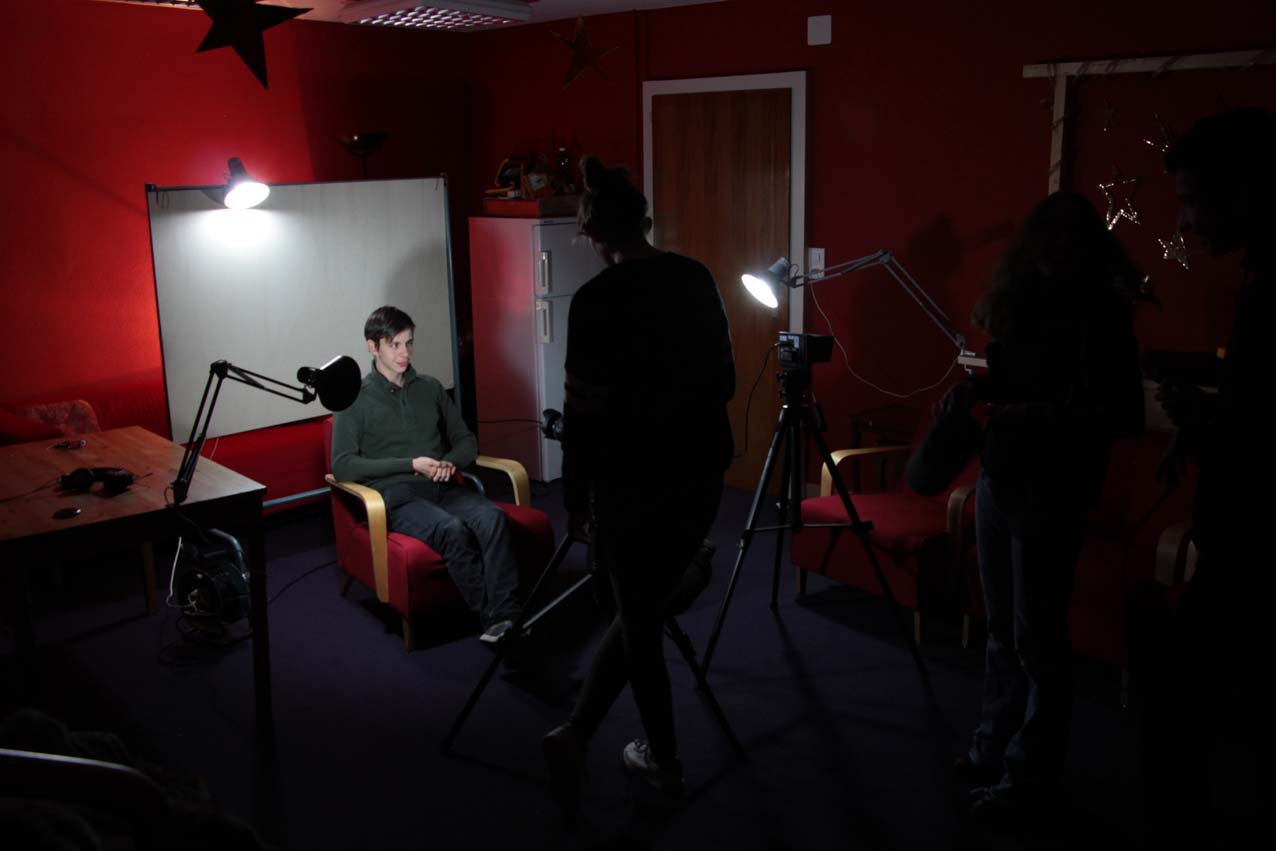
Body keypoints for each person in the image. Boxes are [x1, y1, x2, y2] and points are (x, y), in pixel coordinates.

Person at [541, 156, 735, 818]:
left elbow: (582, 414)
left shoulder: (594, 302)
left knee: (640, 617)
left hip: (629, 485)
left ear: (595, 234)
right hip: (699, 474)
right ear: (644, 221)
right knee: (645, 609)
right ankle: (582, 735)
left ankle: (658, 760)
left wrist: (575, 498)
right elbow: (726, 381)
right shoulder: (695, 278)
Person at [951, 192, 1145, 829]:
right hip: (1000, 477)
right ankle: (991, 748)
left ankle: (1027, 777)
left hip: (1054, 489)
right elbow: (1016, 380)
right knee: (1002, 629)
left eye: (1065, 241)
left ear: (1085, 247)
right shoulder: (1023, 299)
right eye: (1044, 239)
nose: (1051, 252)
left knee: (1038, 638)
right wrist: (980, 389)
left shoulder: (1104, 314)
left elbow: (1120, 415)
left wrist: (1031, 415)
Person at [1141, 108, 1276, 851]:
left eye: (1194, 201)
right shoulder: (1258, 278)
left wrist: (1203, 421)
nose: (1186, 222)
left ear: (1246, 191)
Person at [331, 305, 522, 644]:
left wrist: (449, 462)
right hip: (397, 495)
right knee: (451, 530)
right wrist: (411, 464)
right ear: (372, 346)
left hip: (443, 486)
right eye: (395, 344)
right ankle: (496, 620)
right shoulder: (353, 400)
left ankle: (506, 618)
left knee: (492, 518)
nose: (405, 353)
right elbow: (343, 465)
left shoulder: (430, 388)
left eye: (409, 343)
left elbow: (466, 440)